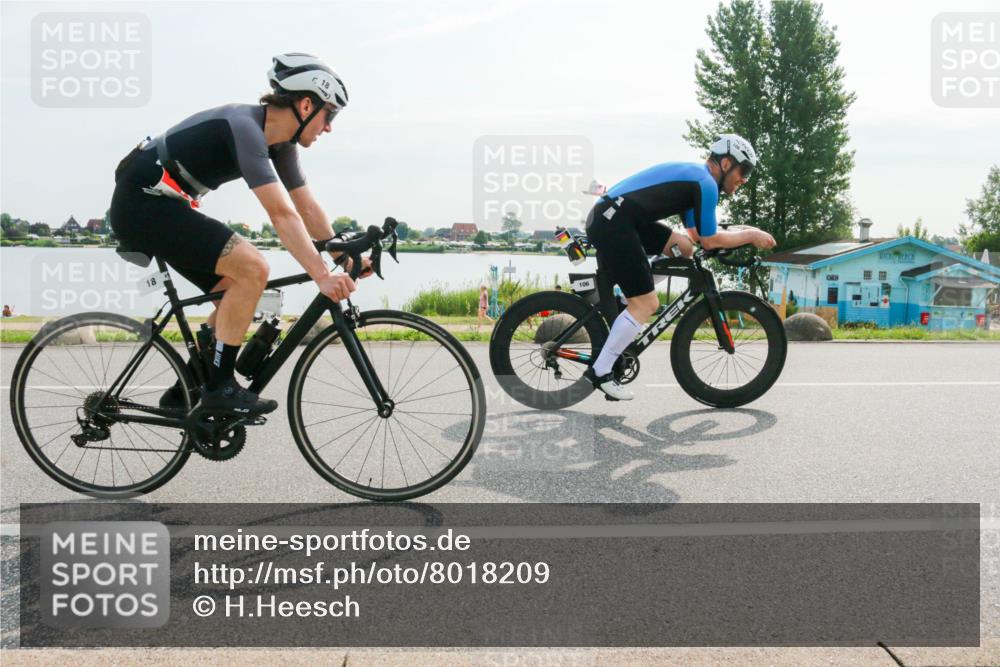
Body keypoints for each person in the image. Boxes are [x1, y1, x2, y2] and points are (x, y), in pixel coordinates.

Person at [109, 53, 370, 416]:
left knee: (237, 293)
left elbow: (306, 209)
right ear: (307, 104)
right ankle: (221, 390)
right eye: (331, 115)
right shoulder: (245, 127)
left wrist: (343, 255)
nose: (329, 127)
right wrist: (321, 275)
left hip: (163, 205)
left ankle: (186, 389)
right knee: (252, 267)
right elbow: (281, 214)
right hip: (142, 204)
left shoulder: (282, 145)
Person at [582, 134, 777, 401]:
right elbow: (710, 240)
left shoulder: (697, 183)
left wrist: (745, 231)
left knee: (683, 248)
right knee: (647, 304)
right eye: (744, 171)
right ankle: (601, 372)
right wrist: (751, 235)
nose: (744, 179)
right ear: (727, 163)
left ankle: (626, 300)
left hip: (616, 217)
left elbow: (696, 237)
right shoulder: (705, 184)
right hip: (614, 221)